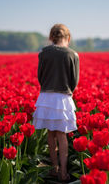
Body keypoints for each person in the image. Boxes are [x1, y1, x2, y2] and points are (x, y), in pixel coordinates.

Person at [32, 23, 79, 182]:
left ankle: (54, 168)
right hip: (63, 97)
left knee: (50, 134)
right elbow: (74, 81)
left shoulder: (43, 53)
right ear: (68, 38)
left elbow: (40, 76)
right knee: (62, 134)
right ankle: (64, 172)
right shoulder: (73, 55)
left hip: (46, 95)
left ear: (51, 37)